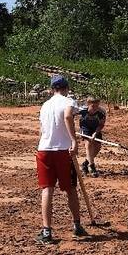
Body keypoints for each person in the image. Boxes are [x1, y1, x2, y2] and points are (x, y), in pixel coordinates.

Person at [36, 75, 88, 244]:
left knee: (47, 189)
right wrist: (73, 140)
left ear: (52, 89)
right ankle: (77, 225)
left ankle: (46, 231)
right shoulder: (68, 101)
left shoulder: (45, 105)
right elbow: (67, 116)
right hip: (62, 151)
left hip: (44, 149)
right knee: (70, 188)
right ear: (66, 88)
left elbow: (42, 129)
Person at [78, 96, 106, 176]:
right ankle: (92, 166)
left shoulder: (102, 112)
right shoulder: (82, 110)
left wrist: (95, 133)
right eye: (93, 106)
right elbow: (70, 114)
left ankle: (85, 163)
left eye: (97, 106)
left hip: (95, 128)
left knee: (97, 147)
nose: (95, 108)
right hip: (85, 127)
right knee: (89, 143)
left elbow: (101, 124)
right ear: (88, 104)